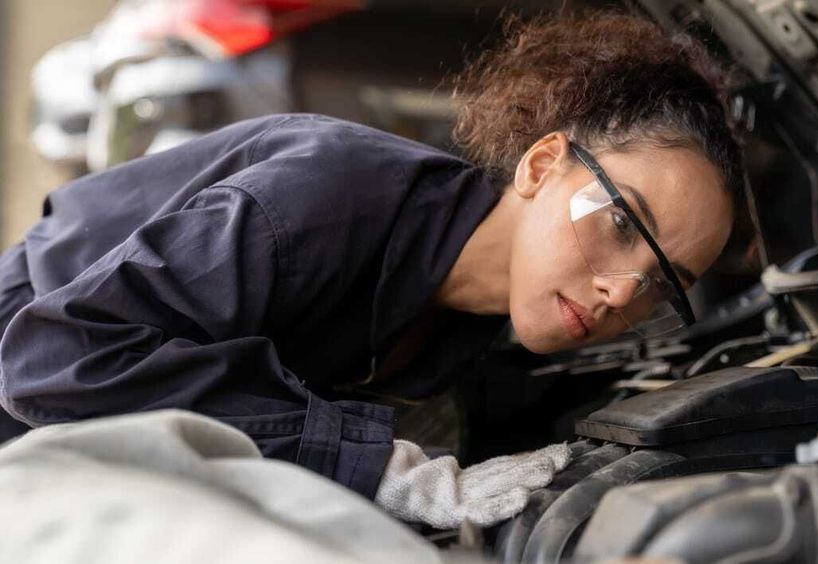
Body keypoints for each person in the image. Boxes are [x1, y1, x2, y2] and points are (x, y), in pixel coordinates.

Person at [0, 10, 745, 528]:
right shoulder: (330, 195)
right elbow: (56, 354)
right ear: (542, 163)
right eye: (620, 221)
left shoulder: (467, 339)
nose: (624, 290)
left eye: (663, 282)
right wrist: (377, 467)